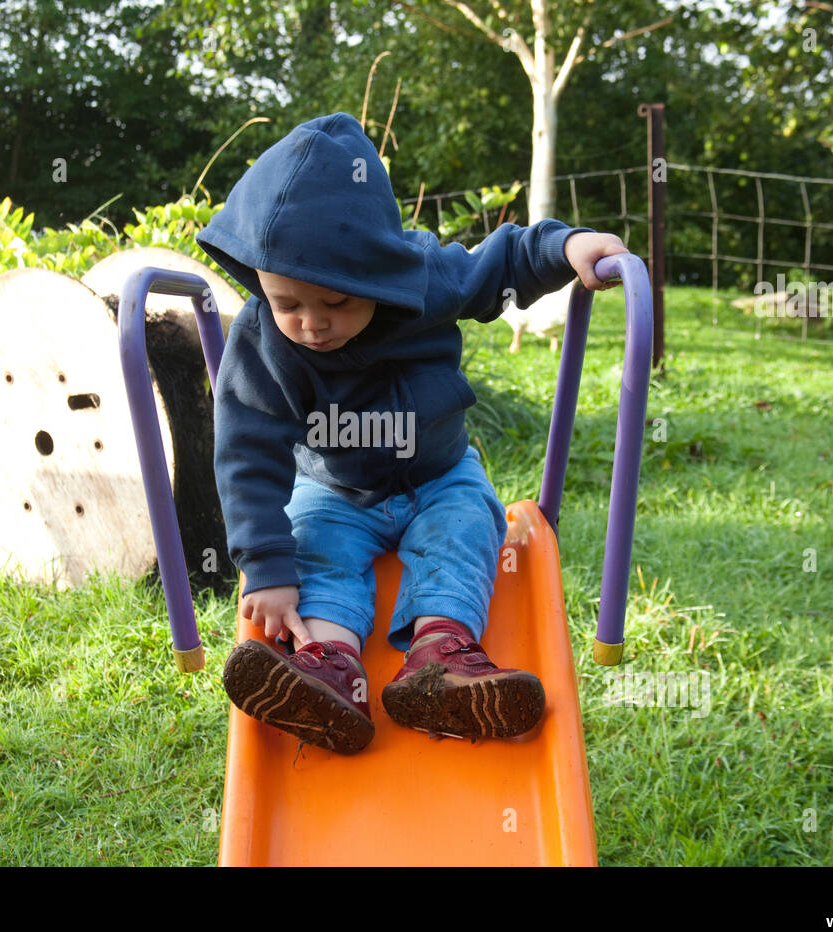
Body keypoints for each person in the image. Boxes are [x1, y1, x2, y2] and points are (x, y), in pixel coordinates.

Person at [197, 113, 628, 754]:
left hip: (438, 476)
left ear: (374, 274)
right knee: (314, 548)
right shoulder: (263, 341)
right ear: (260, 282)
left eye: (336, 303)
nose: (312, 323)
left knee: (469, 522)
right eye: (288, 303)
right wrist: (265, 564)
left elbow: (500, 260)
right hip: (333, 487)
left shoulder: (423, 280)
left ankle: (442, 654)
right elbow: (245, 450)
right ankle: (327, 668)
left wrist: (565, 247)